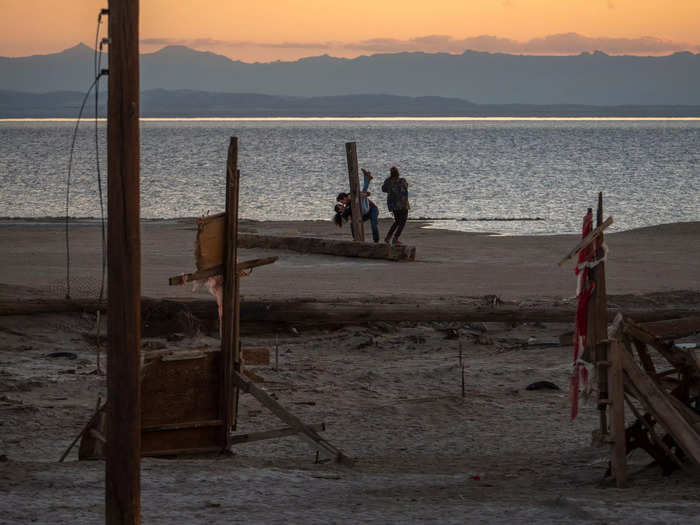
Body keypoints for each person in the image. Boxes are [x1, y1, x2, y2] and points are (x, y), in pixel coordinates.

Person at [333, 168, 380, 242]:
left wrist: (366, 194)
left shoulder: (350, 196)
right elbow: (349, 216)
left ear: (344, 197)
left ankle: (376, 241)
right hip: (364, 211)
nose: (342, 204)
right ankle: (356, 239)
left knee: (373, 225)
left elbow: (360, 194)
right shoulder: (348, 206)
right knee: (353, 223)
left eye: (342, 202)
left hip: (372, 209)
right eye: (341, 204)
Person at [381, 166, 409, 245]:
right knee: (402, 222)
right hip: (403, 204)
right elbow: (406, 186)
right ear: (398, 173)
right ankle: (395, 238)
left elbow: (383, 189)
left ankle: (388, 237)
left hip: (393, 204)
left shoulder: (388, 181)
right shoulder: (402, 180)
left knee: (397, 221)